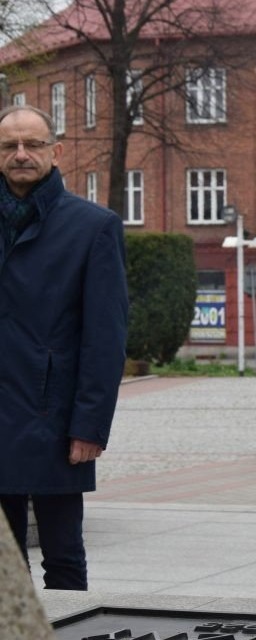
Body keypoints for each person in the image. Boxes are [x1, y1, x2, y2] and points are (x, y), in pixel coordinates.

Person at [0, 105, 128, 590]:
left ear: (54, 152)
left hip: (51, 419)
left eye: (31, 144)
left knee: (64, 560)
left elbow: (106, 336)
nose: (20, 155)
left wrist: (89, 425)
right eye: (9, 145)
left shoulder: (92, 227)